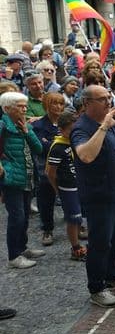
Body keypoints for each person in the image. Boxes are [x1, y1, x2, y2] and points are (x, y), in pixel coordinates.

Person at [71, 85, 115, 307]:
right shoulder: (82, 128)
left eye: (108, 98)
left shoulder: (111, 123)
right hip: (102, 193)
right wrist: (103, 128)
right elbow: (85, 156)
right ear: (87, 103)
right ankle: (97, 287)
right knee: (100, 240)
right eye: (102, 99)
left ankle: (113, 274)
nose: (108, 103)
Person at [1, 92, 45, 269]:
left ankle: (22, 247)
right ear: (7, 109)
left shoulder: (24, 125)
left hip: (27, 175)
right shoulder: (3, 125)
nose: (24, 109)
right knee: (17, 217)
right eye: (20, 106)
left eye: (25, 105)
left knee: (25, 216)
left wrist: (28, 132)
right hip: (12, 178)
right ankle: (13, 256)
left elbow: (39, 148)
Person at [45, 110, 87, 260]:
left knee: (80, 215)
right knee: (73, 218)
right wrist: (58, 190)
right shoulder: (58, 147)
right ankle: (75, 248)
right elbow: (50, 172)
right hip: (67, 188)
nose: (74, 133)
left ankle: (81, 239)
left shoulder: (76, 141)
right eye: (70, 130)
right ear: (61, 130)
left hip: (80, 184)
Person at [33, 93, 65, 246]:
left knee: (70, 196)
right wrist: (60, 143)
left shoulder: (66, 122)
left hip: (66, 166)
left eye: (61, 103)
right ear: (47, 105)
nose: (58, 107)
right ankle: (47, 228)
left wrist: (53, 142)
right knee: (46, 198)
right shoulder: (39, 125)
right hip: (46, 168)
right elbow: (43, 148)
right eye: (54, 104)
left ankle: (76, 222)